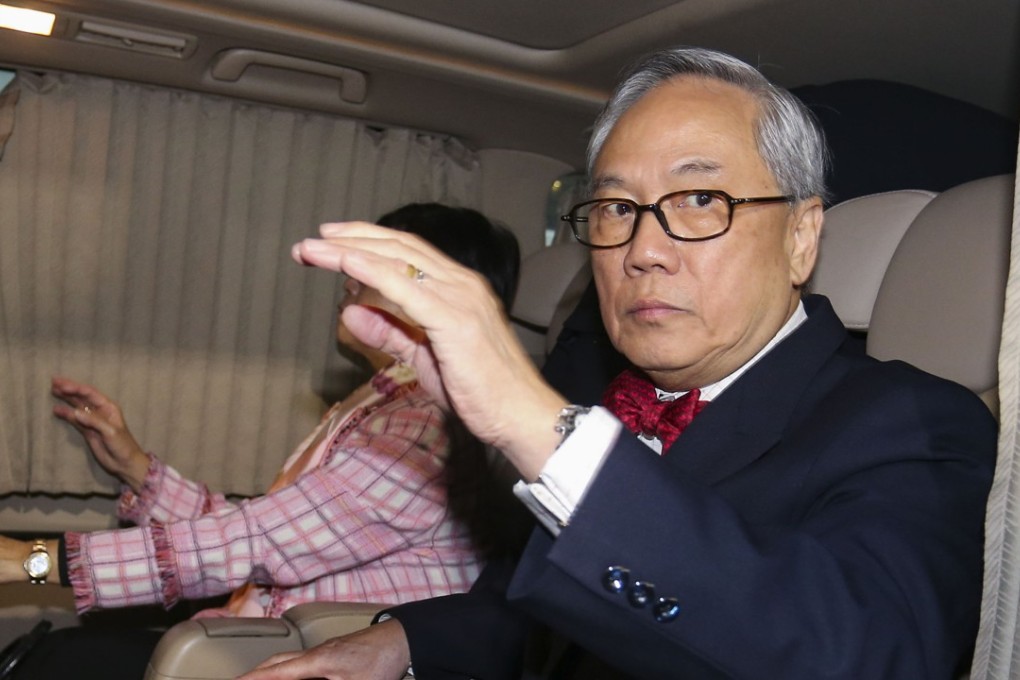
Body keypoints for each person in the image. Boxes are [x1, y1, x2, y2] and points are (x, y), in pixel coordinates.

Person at [238, 46, 997, 680]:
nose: (642, 251)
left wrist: (528, 416)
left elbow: (864, 656)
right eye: (615, 209)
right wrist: (404, 645)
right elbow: (558, 617)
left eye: (700, 199)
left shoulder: (916, 422)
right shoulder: (609, 401)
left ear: (801, 238)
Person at [0, 202, 522, 679]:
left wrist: (33, 561)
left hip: (289, 655)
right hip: (255, 639)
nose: (349, 274)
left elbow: (251, 544)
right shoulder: (373, 405)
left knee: (55, 663)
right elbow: (267, 530)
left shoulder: (425, 426)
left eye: (380, 263)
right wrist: (138, 468)